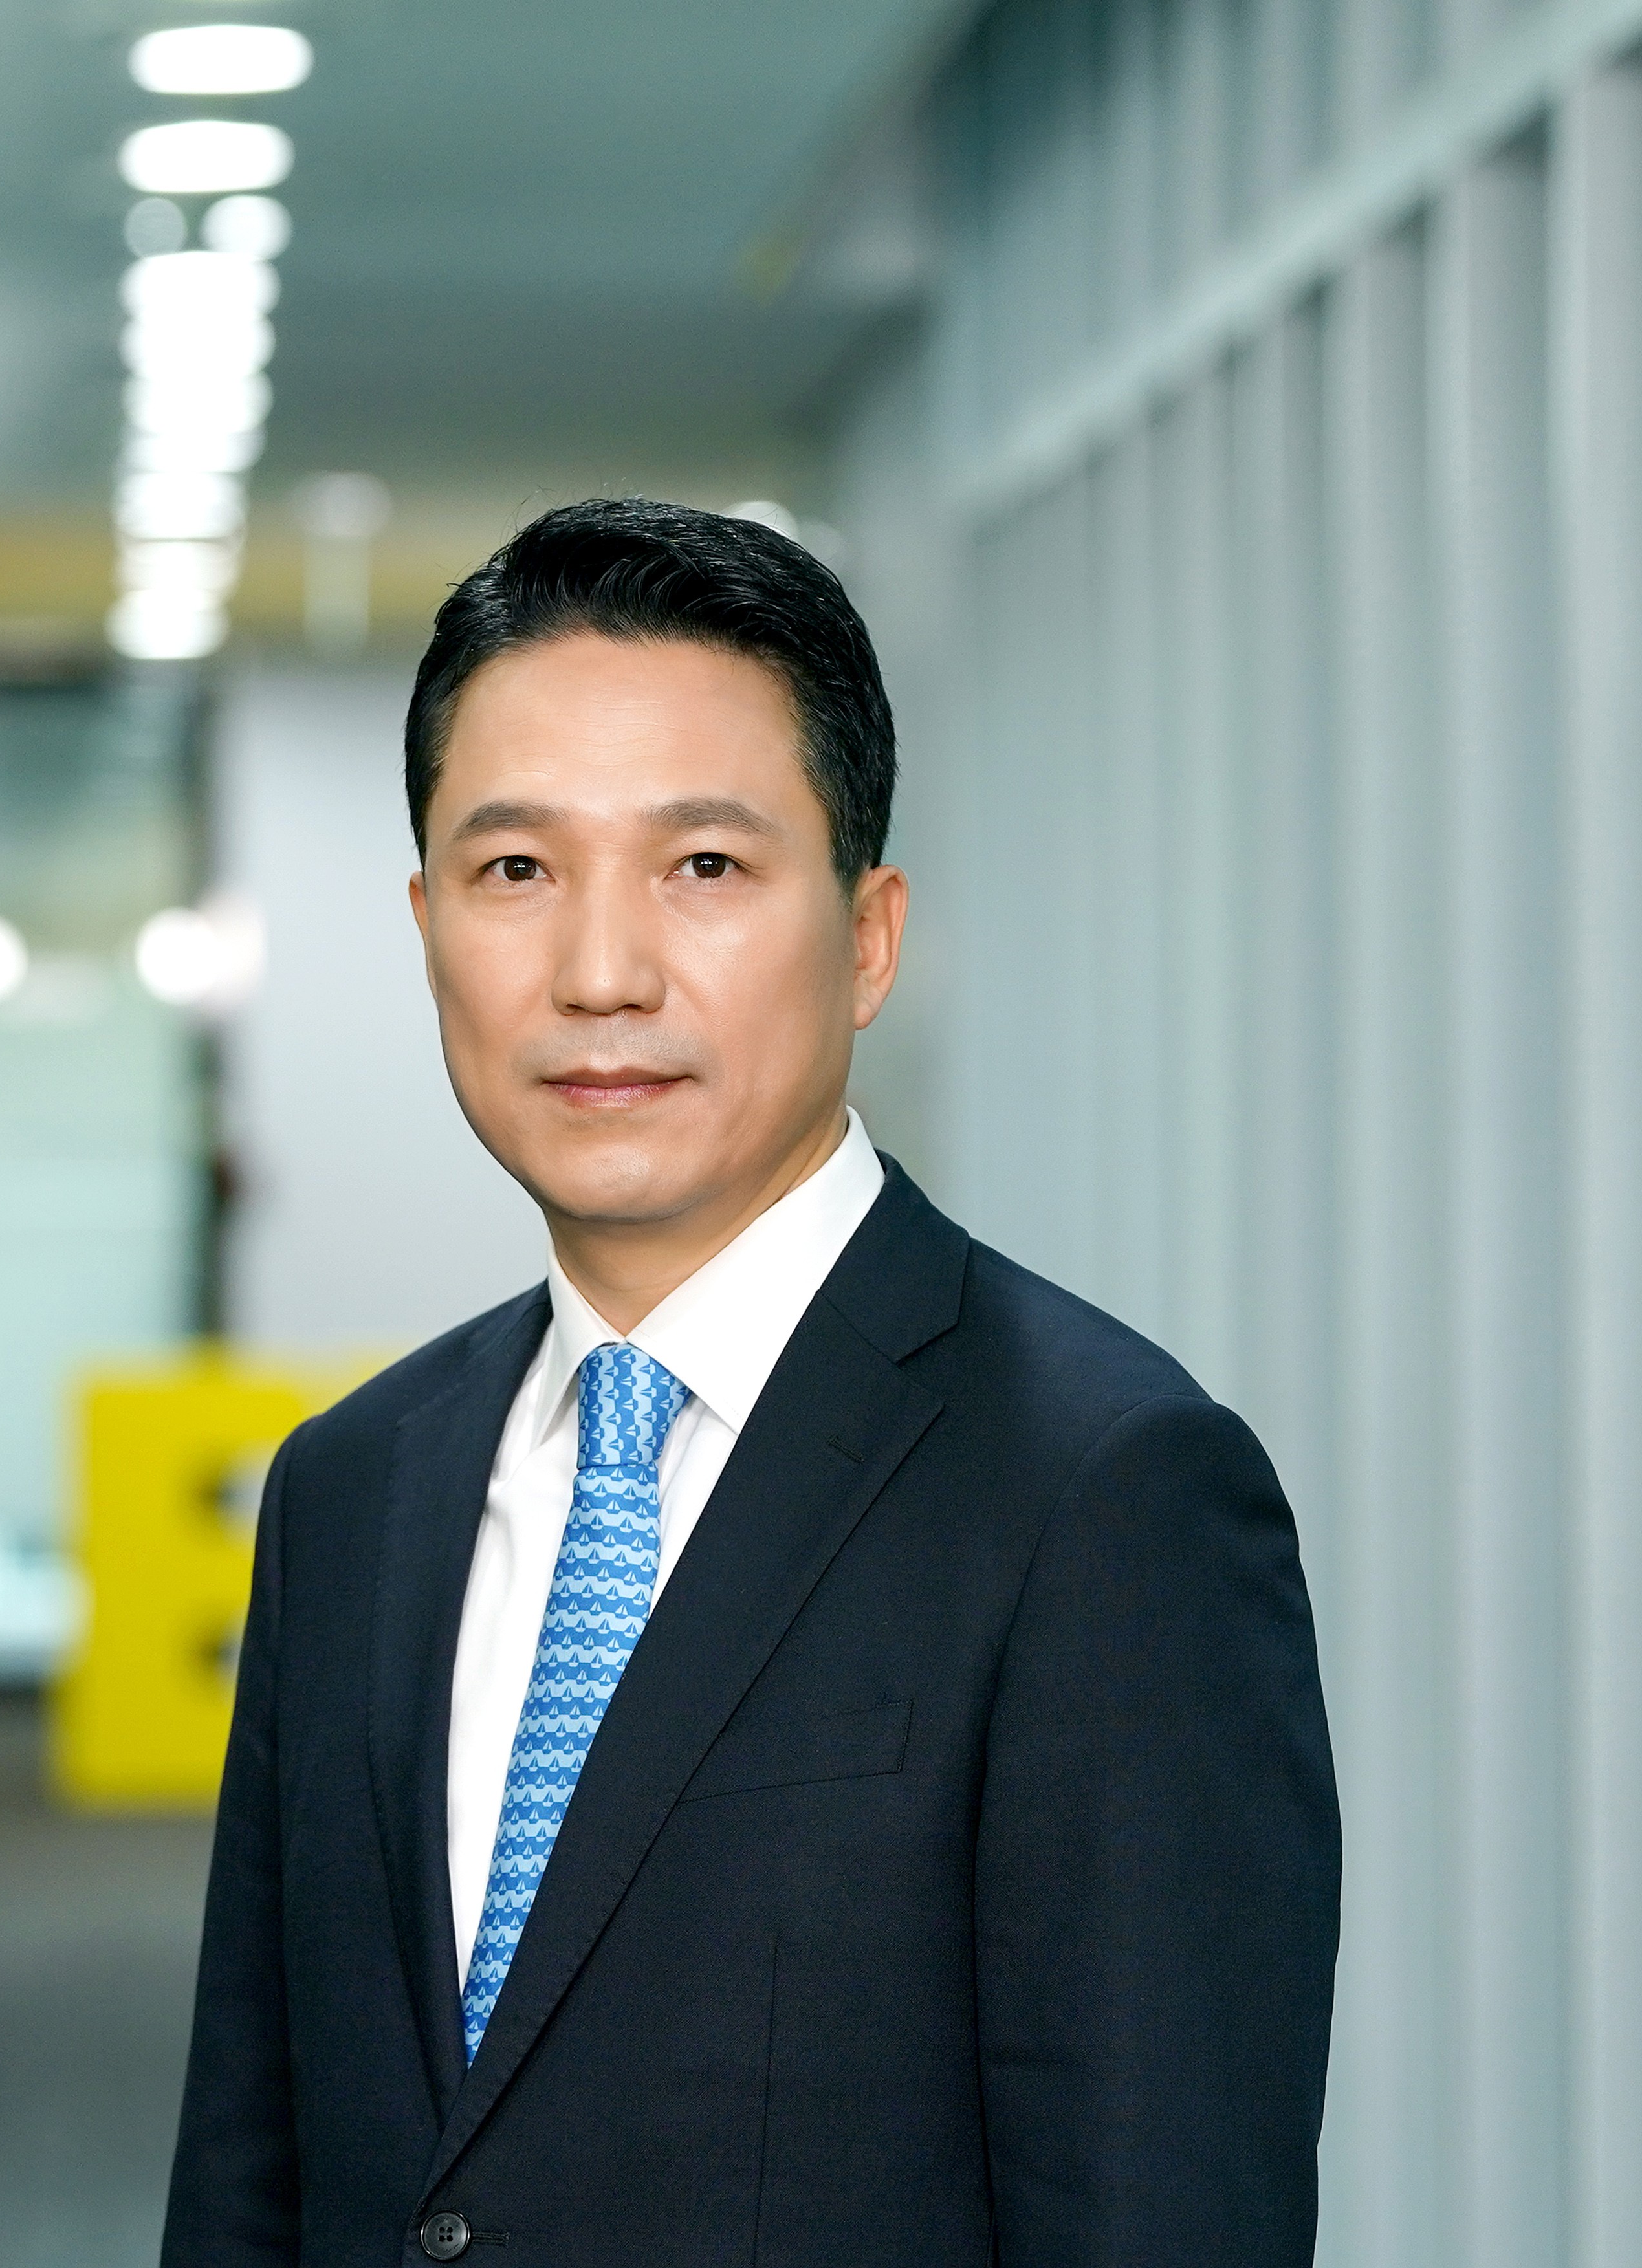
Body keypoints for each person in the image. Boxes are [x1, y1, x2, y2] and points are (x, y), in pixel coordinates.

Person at [162, 497, 1339, 2266]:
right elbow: (250, 2188)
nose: (600, 974)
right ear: (426, 926)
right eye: (515, 871)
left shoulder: (1103, 1495)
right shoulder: (353, 1487)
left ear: (867, 937)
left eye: (704, 867)